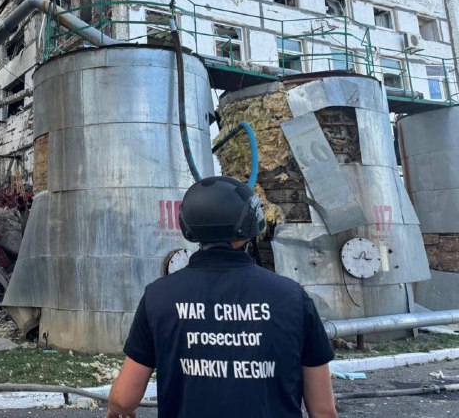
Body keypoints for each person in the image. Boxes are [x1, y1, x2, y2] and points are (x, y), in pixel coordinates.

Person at [106, 176, 337, 418]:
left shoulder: (159, 297)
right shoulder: (292, 298)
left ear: (188, 225)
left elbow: (124, 399)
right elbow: (323, 411)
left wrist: (118, 408)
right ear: (251, 223)